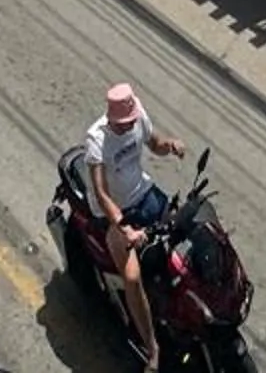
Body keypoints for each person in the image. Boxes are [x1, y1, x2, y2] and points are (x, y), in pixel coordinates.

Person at [84, 83, 184, 369]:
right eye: (124, 124)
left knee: (181, 227)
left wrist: (172, 145)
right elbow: (101, 194)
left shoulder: (139, 118)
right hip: (115, 213)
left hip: (144, 194)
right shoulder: (97, 140)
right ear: (112, 120)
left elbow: (156, 144)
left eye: (132, 121)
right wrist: (122, 227)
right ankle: (152, 347)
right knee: (131, 277)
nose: (130, 127)